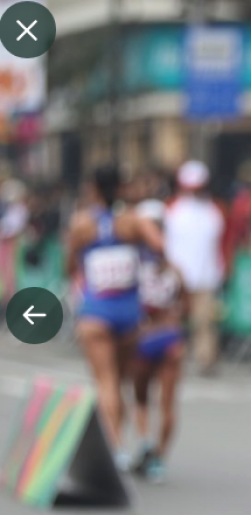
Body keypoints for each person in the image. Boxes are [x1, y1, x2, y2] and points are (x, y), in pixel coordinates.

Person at [65, 165, 163, 470]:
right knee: (120, 380)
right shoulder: (133, 221)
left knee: (106, 381)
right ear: (121, 188)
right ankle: (126, 442)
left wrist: (83, 275)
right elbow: (159, 247)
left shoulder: (82, 223)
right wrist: (150, 266)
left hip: (96, 310)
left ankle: (117, 446)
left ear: (93, 189)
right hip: (128, 311)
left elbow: (69, 264)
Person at [132, 199, 186, 483]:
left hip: (143, 337)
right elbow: (183, 305)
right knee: (167, 403)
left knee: (141, 396)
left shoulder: (133, 265)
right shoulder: (174, 268)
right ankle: (158, 459)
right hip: (171, 338)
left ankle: (144, 443)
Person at [164, 160, 226, 376]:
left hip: (206, 275)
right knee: (173, 320)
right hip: (176, 275)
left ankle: (206, 359)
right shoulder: (171, 208)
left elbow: (224, 241)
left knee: (204, 322)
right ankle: (171, 356)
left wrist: (223, 267)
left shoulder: (215, 210)